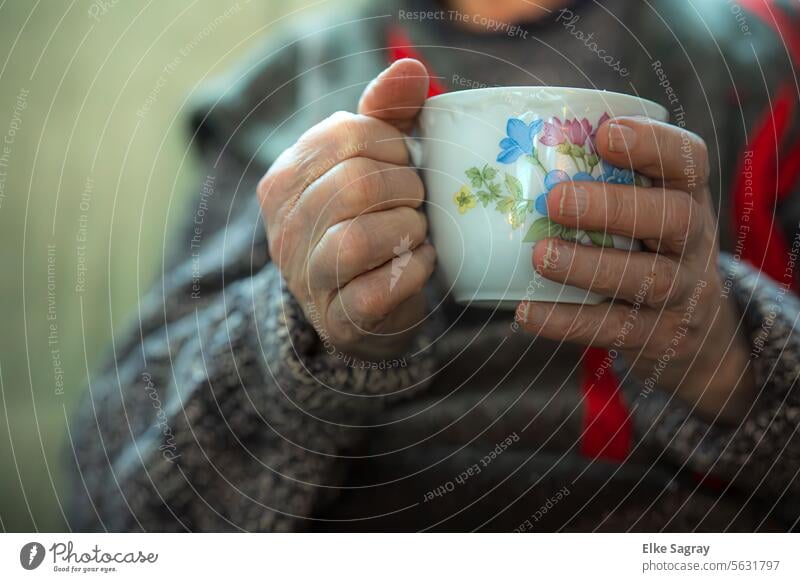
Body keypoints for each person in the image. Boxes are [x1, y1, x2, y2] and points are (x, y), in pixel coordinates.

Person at [70, 0, 800, 531]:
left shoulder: (773, 62)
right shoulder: (291, 89)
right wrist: (305, 335)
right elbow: (115, 495)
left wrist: (730, 359)